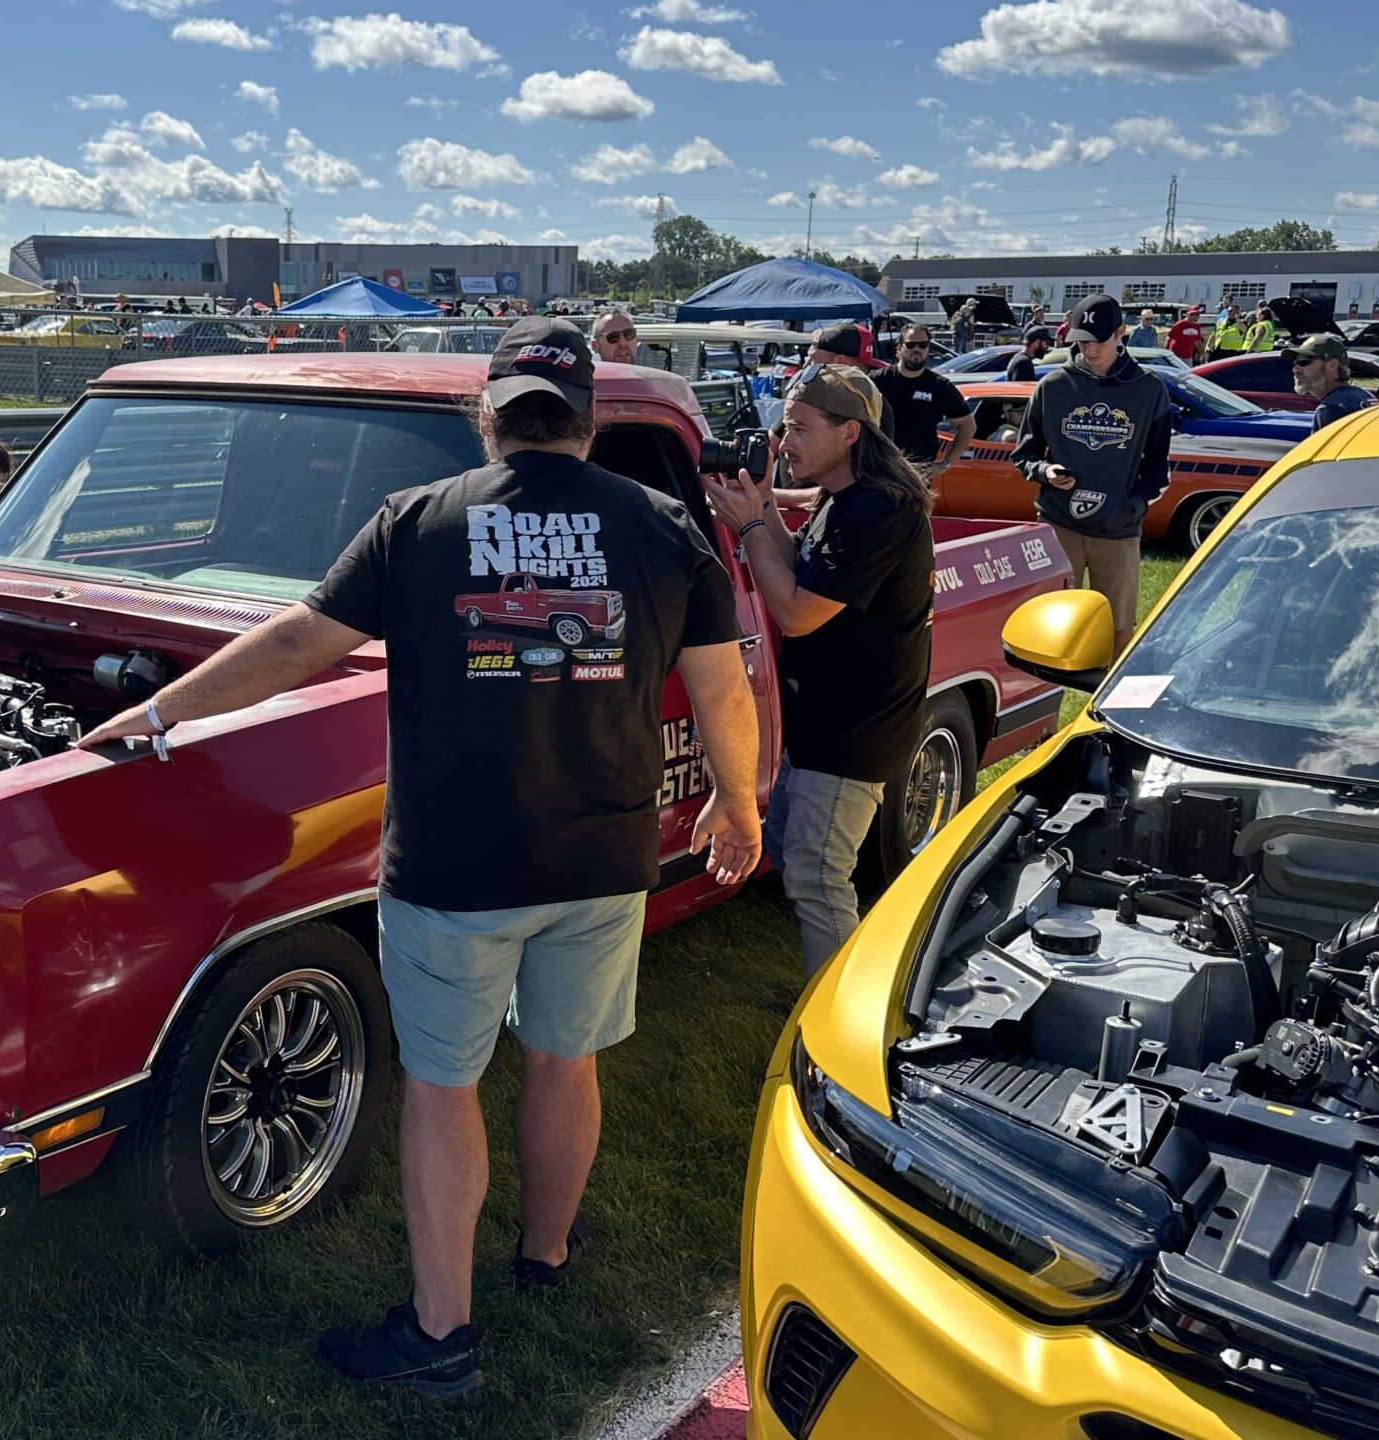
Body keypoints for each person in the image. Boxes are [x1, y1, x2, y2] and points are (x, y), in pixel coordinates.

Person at [81, 318, 761, 1395]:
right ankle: (546, 1254)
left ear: (487, 415)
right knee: (566, 1060)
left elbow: (299, 645)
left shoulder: (417, 518)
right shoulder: (662, 522)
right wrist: (736, 803)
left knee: (444, 1086)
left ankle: (442, 1334)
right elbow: (723, 686)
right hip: (603, 851)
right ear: (587, 421)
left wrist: (159, 714)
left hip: (453, 861)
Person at [702, 366, 934, 976]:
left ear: (850, 432)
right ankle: (828, 988)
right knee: (790, 848)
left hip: (852, 732)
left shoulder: (878, 510)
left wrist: (750, 525)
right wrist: (761, 506)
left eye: (800, 429)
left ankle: (836, 1013)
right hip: (826, 721)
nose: (785, 443)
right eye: (785, 427)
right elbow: (800, 567)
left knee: (817, 876)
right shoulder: (846, 497)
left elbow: (797, 613)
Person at [1010, 294, 1174, 658]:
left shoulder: (1148, 389)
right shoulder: (1053, 385)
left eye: (1098, 340)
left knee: (1118, 633)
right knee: (1051, 629)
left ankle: (1106, 694)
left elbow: (1158, 465)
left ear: (1120, 332)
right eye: (1082, 341)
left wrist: (1133, 504)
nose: (1091, 349)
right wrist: (1046, 471)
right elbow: (1025, 454)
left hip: (1117, 530)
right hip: (1059, 524)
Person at [874, 324, 975, 481]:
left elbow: (968, 426)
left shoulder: (940, 386)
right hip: (880, 473)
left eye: (923, 345)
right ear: (899, 348)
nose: (917, 349)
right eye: (911, 344)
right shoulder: (877, 381)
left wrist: (946, 463)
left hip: (919, 477)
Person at [1288, 333, 1371, 431]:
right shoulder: (1364, 396)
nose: (1295, 369)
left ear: (1332, 365)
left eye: (1304, 361)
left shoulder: (1331, 409)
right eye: (1295, 362)